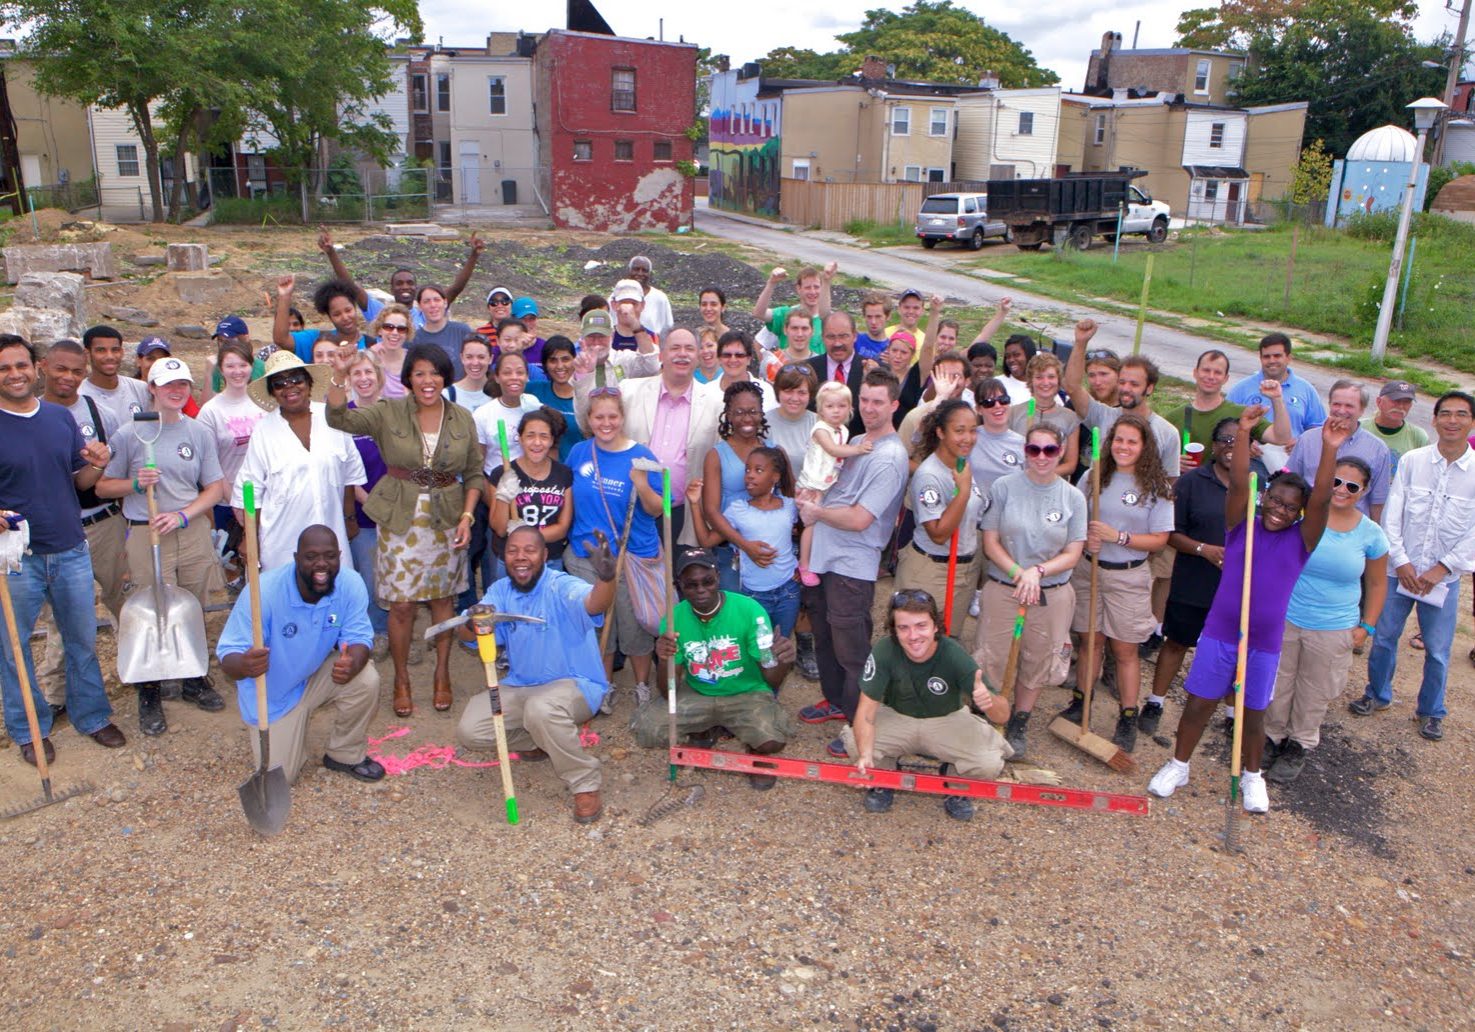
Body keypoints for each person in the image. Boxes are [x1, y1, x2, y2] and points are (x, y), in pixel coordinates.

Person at [1148, 408, 1348, 813]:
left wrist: (1329, 448)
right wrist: (1242, 432)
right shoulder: (1241, 526)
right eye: (1275, 501)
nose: (1280, 510)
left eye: (1291, 507)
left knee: (1253, 711)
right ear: (1264, 498)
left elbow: (1324, 497)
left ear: (1300, 514)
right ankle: (1178, 764)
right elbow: (1239, 479)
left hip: (1265, 641)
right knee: (1200, 702)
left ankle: (1253, 777)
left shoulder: (1301, 541)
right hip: (1222, 631)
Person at [324, 343, 484, 718]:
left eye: (435, 373)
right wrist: (339, 376)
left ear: (446, 376)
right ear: (408, 378)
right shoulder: (389, 410)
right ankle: (401, 680)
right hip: (400, 519)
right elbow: (338, 419)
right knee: (402, 605)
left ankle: (442, 673)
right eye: (420, 373)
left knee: (444, 601)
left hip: (447, 519)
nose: (428, 381)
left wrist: (467, 517)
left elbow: (474, 472)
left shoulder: (462, 417)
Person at [0, 334, 126, 761]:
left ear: (35, 368)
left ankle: (91, 715)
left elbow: (80, 483)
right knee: (13, 648)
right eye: (4, 368)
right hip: (18, 558)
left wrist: (98, 463)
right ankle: (28, 728)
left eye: (20, 365)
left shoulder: (58, 418)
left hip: (71, 548)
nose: (14, 374)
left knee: (82, 639)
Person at [96, 356, 226, 735]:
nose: (177, 390)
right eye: (167, 384)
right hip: (145, 531)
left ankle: (193, 678)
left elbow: (214, 487)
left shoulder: (198, 432)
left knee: (192, 605)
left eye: (183, 383)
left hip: (190, 530)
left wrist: (185, 515)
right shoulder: (128, 434)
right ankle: (149, 690)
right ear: (150, 387)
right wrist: (135, 485)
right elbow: (103, 486)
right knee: (151, 608)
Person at [456, 524, 619, 824]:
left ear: (544, 555)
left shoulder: (561, 585)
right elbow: (473, 636)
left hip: (575, 685)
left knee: (541, 709)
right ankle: (537, 741)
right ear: (503, 556)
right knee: (471, 730)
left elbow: (595, 602)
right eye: (513, 550)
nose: (521, 557)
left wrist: (606, 578)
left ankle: (584, 782)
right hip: (521, 686)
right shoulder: (500, 591)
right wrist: (473, 624)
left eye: (529, 550)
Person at [1352, 390, 1475, 741]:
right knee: (1384, 638)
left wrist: (1441, 569)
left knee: (1437, 650)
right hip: (1398, 573)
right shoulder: (1413, 461)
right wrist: (1402, 561)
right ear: (1433, 420)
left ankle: (1432, 711)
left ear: (1472, 422)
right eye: (1445, 413)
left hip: (1444, 580)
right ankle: (1377, 694)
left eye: (1461, 414)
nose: (1452, 420)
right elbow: (1392, 513)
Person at [217, 525, 383, 784]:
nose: (321, 564)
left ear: (340, 556)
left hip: (314, 676)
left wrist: (353, 662)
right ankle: (290, 730)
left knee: (366, 678)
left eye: (330, 556)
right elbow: (228, 655)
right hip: (272, 697)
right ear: (296, 558)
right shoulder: (264, 592)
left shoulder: (349, 583)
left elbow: (360, 638)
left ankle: (345, 753)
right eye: (311, 556)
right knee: (282, 778)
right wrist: (245, 665)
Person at [1264, 457, 1387, 783]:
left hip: (1335, 626)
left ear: (1364, 490)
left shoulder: (1371, 534)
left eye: (1351, 486)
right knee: (1279, 679)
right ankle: (1272, 735)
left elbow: (1377, 583)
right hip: (1287, 616)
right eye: (1335, 482)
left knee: (1315, 688)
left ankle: (1299, 743)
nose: (1341, 490)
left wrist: (1367, 626)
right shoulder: (1301, 517)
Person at [797, 368, 909, 725]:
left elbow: (862, 518)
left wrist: (817, 511)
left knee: (852, 649)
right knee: (825, 638)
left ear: (894, 404)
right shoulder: (857, 440)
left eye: (878, 401)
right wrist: (811, 495)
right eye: (864, 400)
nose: (869, 407)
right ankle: (835, 700)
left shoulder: (889, 457)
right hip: (825, 558)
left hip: (852, 565)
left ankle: (858, 723)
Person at [844, 590, 1013, 821]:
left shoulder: (953, 653)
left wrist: (989, 702)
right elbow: (865, 713)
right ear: (894, 630)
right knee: (855, 742)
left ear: (936, 626)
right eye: (903, 628)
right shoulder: (884, 650)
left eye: (921, 625)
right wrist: (865, 755)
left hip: (946, 719)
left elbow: (1002, 716)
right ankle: (884, 775)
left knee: (987, 762)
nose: (913, 636)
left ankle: (955, 781)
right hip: (898, 716)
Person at [637, 549, 798, 791]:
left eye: (707, 581)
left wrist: (782, 660)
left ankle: (753, 750)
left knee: (772, 739)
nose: (701, 590)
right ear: (679, 586)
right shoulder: (672, 619)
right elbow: (668, 692)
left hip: (746, 692)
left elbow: (771, 681)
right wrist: (663, 659)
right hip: (698, 692)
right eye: (691, 585)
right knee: (648, 729)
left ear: (718, 578)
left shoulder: (750, 611)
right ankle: (705, 728)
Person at [1062, 414, 1173, 752]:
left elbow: (1160, 539)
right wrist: (1085, 539)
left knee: (1125, 649)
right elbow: (1077, 517)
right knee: (1089, 642)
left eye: (1132, 442)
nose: (1124, 447)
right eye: (1119, 440)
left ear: (1144, 447)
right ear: (1109, 443)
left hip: (1128, 574)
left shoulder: (1156, 487)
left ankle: (1127, 715)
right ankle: (1082, 702)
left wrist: (1119, 537)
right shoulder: (1094, 476)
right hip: (1089, 570)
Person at [977, 423, 1088, 758]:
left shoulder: (1073, 497)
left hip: (1051, 591)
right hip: (1004, 586)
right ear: (1025, 451)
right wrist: (1017, 572)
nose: (1041, 457)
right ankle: (989, 714)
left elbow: (1074, 551)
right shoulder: (1004, 487)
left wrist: (1037, 573)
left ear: (1060, 453)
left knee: (1038, 657)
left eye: (1050, 450)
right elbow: (990, 539)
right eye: (1033, 449)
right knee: (992, 654)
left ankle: (1020, 720)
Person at [574, 328, 722, 548]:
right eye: (675, 348)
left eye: (689, 348)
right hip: (629, 508)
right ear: (661, 354)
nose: (682, 354)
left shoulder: (716, 402)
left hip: (684, 513)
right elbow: (590, 422)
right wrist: (584, 378)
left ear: (699, 354)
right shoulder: (630, 390)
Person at [564, 386, 663, 706]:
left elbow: (658, 508)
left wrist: (642, 484)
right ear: (588, 419)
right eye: (598, 417)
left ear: (622, 418)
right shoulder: (579, 452)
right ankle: (602, 685)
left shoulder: (643, 456)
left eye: (612, 416)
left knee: (634, 626)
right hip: (587, 555)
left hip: (631, 555)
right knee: (598, 625)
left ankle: (642, 685)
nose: (606, 423)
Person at [1140, 417, 1238, 736]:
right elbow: (1171, 533)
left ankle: (1232, 712)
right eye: (1224, 439)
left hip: (1234, 586)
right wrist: (1202, 549)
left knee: (1231, 649)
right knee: (1176, 643)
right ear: (1213, 444)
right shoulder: (1192, 482)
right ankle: (1155, 702)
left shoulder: (1255, 483)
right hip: (1193, 580)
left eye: (1238, 441)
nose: (1230, 447)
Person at [233, 351, 365, 572]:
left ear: (308, 383)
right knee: (286, 599)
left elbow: (350, 475)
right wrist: (250, 537)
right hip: (282, 542)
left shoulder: (333, 418)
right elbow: (250, 490)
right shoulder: (263, 431)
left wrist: (350, 518)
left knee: (332, 597)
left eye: (296, 379)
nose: (289, 387)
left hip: (332, 533)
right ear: (272, 392)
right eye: (279, 383)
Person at [37, 340, 129, 634]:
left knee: (125, 605)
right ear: (43, 368)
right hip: (55, 531)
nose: (68, 377)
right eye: (60, 369)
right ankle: (59, 681)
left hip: (105, 524)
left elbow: (117, 471)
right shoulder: (28, 416)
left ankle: (139, 674)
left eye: (77, 371)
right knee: (62, 623)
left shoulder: (101, 414)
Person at [690, 446, 800, 638]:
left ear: (775, 477)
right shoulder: (738, 510)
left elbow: (809, 532)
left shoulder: (790, 506)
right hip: (754, 595)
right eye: (747, 470)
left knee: (781, 644)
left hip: (788, 591)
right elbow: (706, 541)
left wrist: (802, 568)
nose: (749, 475)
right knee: (758, 648)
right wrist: (693, 503)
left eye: (758, 470)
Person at [896, 400, 982, 640]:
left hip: (964, 570)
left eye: (973, 430)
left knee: (946, 641)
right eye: (960, 430)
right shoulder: (929, 475)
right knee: (918, 641)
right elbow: (938, 533)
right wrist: (963, 492)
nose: (968, 438)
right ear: (941, 432)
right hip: (931, 570)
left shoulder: (962, 464)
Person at [317, 225, 483, 331]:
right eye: (399, 283)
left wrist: (474, 255)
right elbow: (350, 286)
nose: (405, 287)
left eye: (410, 283)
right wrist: (331, 252)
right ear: (391, 289)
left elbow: (456, 288)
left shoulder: (426, 312)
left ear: (416, 288)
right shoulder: (378, 312)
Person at [695, 382, 773, 591]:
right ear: (728, 415)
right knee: (734, 613)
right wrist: (745, 545)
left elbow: (784, 497)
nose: (747, 419)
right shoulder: (716, 455)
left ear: (761, 413)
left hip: (767, 546)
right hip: (729, 547)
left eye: (752, 412)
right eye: (739, 412)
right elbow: (711, 510)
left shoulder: (773, 450)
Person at [796, 381, 873, 585]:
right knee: (811, 525)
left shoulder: (842, 430)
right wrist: (857, 449)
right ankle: (804, 564)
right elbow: (833, 450)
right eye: (830, 406)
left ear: (850, 408)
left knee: (825, 523)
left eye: (841, 406)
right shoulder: (821, 429)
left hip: (828, 484)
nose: (836, 411)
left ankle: (820, 561)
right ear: (820, 410)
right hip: (812, 485)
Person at [1286, 380, 1391, 521]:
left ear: (1362, 409)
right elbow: (1290, 483)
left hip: (1351, 530)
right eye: (1336, 404)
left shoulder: (1378, 450)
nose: (1341, 411)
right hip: (1309, 522)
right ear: (1329, 404)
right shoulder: (1307, 439)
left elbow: (1377, 502)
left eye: (1349, 406)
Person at [487, 408, 573, 581]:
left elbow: (563, 527)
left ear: (551, 441)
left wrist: (526, 539)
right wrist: (504, 496)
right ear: (520, 439)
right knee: (510, 609)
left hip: (550, 560)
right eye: (530, 435)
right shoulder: (501, 473)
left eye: (544, 436)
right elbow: (499, 528)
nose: (537, 442)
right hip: (511, 562)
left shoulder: (564, 474)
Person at [342, 351, 390, 652]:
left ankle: (399, 629)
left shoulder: (394, 414)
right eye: (357, 374)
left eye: (368, 373)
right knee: (369, 577)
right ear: (349, 380)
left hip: (398, 512)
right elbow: (346, 471)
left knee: (398, 574)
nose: (363, 379)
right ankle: (377, 631)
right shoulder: (344, 418)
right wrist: (370, 503)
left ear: (379, 377)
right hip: (362, 514)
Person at [1166, 349, 1294, 459]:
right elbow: (1154, 457)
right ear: (1195, 373)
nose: (1211, 376)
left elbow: (1281, 438)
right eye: (1206, 370)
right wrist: (1174, 463)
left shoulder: (1240, 414)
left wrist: (1277, 399)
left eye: (1218, 372)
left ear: (1226, 378)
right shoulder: (1174, 417)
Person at [1226, 332, 1327, 469]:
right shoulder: (1241, 389)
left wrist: (1301, 442)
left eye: (1277, 356)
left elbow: (1318, 428)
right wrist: (1245, 442)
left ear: (1289, 358)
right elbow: (1225, 425)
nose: (1272, 360)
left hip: (1293, 463)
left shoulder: (1305, 390)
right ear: (1260, 358)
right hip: (1253, 463)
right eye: (1266, 356)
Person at [1008, 352, 1080, 476]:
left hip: (1053, 484)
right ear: (1030, 380)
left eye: (1051, 377)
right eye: (1039, 377)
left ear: (1058, 380)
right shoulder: (1013, 413)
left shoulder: (1070, 418)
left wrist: (1041, 474)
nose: (1045, 382)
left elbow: (1070, 465)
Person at [273, 275, 371, 360]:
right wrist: (285, 296)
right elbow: (281, 339)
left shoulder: (372, 344)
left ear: (355, 308)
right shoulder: (316, 340)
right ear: (329, 317)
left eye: (348, 310)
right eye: (337, 314)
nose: (345, 317)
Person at [806, 312, 865, 438]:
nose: (837, 343)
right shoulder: (809, 370)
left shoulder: (870, 371)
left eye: (844, 336)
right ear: (822, 337)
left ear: (855, 336)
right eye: (831, 337)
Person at [753, 264, 834, 354]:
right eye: (807, 287)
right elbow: (758, 314)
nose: (813, 292)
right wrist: (771, 283)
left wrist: (827, 280)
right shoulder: (786, 315)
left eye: (816, 287)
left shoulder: (830, 320)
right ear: (799, 289)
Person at [80, 324, 152, 426]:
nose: (110, 356)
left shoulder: (140, 389)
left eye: (115, 350)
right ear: (87, 354)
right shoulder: (79, 395)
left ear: (122, 352)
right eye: (101, 350)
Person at [528, 336, 584, 462]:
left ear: (575, 360)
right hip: (540, 473)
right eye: (553, 360)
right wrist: (515, 350)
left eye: (565, 359)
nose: (560, 366)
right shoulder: (534, 390)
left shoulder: (585, 396)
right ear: (545, 364)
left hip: (576, 471)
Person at [765, 362, 819, 483]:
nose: (794, 398)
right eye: (788, 391)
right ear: (778, 391)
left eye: (801, 392)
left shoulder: (820, 424)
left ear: (811, 394)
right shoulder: (763, 423)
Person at [410, 284, 474, 379]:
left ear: (445, 302)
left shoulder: (462, 331)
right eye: (427, 301)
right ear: (420, 306)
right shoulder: (414, 339)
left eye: (437, 300)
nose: (433, 305)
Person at [1361, 380, 1426, 471]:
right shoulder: (1358, 428)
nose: (1400, 406)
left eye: (1406, 402)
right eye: (1395, 400)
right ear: (1379, 402)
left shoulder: (1418, 436)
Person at [133, 337, 201, 417]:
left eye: (162, 359)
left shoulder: (177, 391)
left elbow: (194, 418)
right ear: (138, 361)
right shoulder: (130, 390)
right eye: (150, 359)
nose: (157, 364)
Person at [713, 330, 775, 409]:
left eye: (739, 355)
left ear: (749, 359)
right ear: (719, 359)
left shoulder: (766, 392)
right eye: (727, 355)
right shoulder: (705, 393)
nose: (733, 360)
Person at [368, 305, 411, 399]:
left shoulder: (413, 360)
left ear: (407, 333)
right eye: (388, 327)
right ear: (379, 330)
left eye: (401, 329)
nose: (395, 332)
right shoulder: (369, 359)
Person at [624, 255, 674, 336]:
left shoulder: (660, 298)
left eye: (644, 270)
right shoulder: (617, 297)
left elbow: (668, 327)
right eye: (636, 269)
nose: (640, 273)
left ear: (650, 273)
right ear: (629, 271)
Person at [607, 279, 661, 352]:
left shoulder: (652, 337)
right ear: (614, 305)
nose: (628, 309)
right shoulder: (606, 337)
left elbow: (653, 359)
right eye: (624, 303)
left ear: (642, 305)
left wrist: (635, 325)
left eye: (633, 303)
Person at [446, 334, 493, 412]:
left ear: (490, 359)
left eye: (481, 357)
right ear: (462, 358)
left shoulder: (500, 393)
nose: (475, 363)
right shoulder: (448, 395)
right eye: (469, 357)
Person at [855, 292, 891, 361]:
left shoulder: (892, 350)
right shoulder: (855, 340)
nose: (873, 322)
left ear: (888, 316)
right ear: (864, 316)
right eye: (869, 317)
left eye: (878, 316)